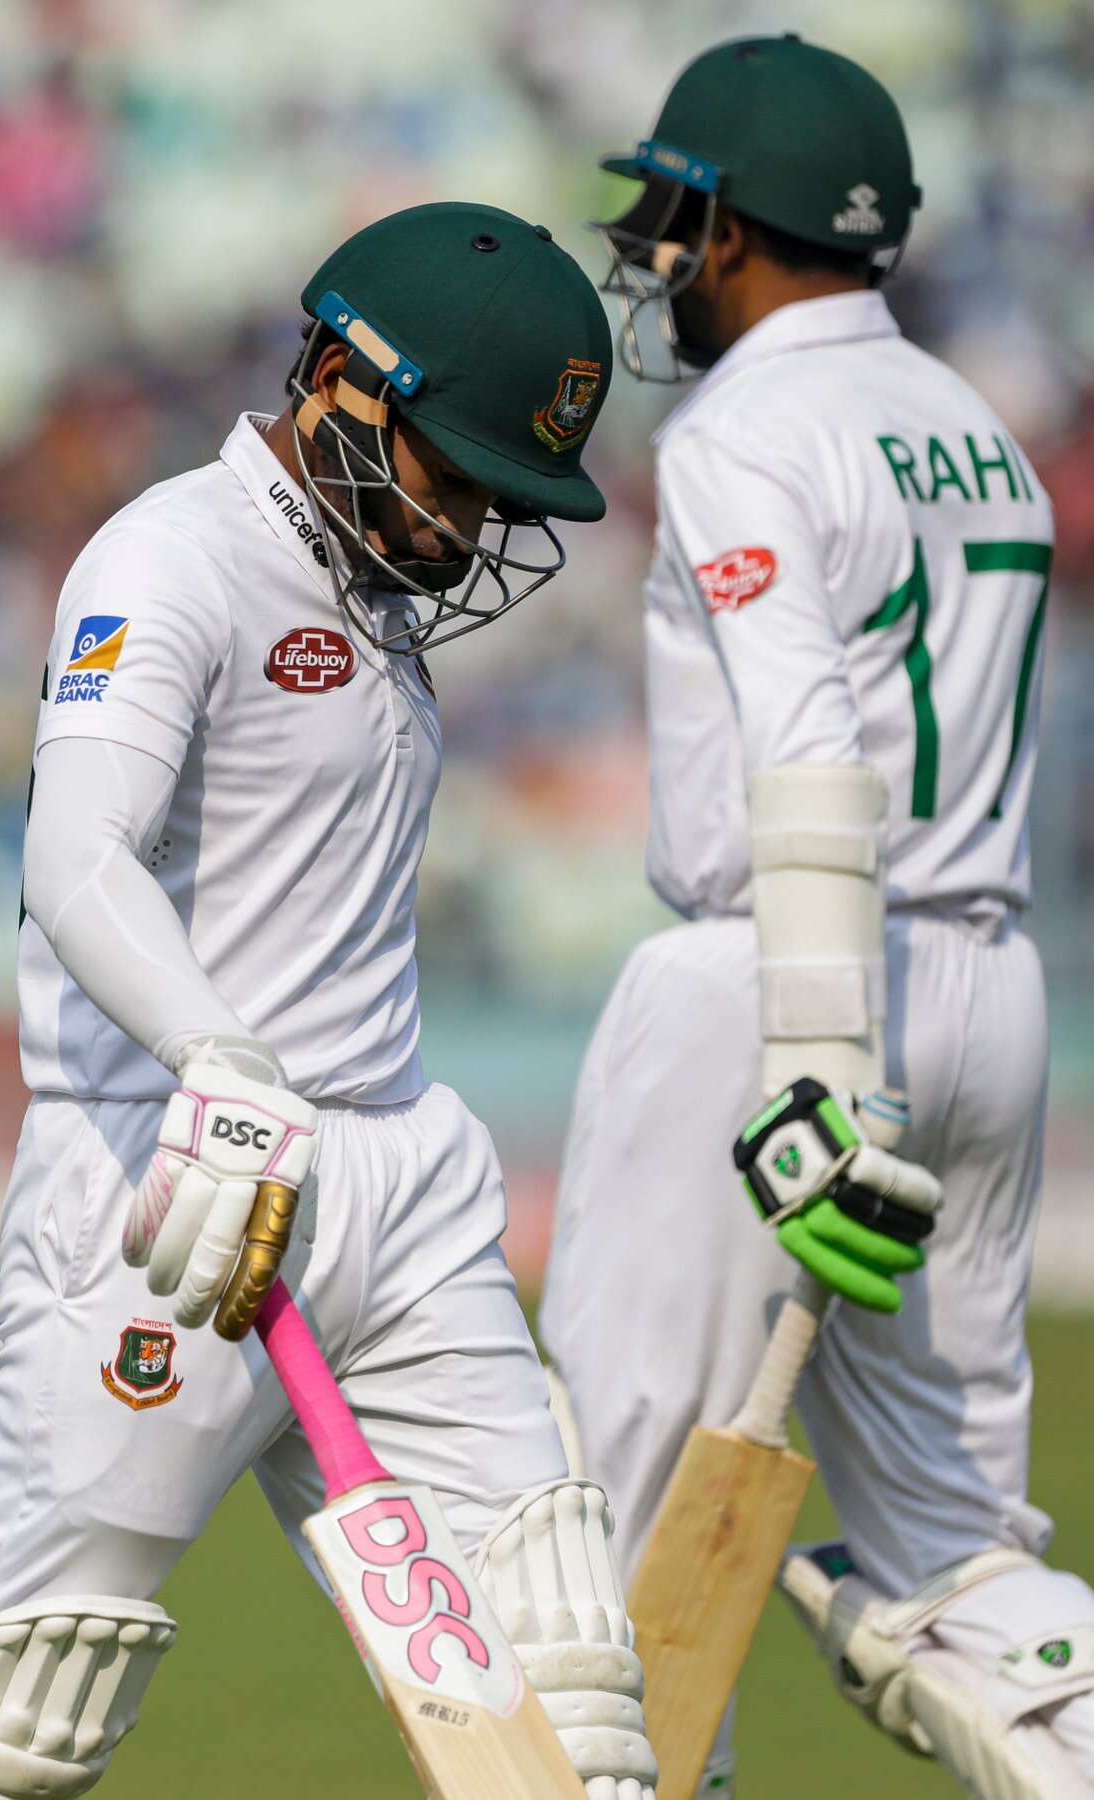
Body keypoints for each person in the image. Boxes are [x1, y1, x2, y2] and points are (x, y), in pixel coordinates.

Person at [0, 201, 657, 1800]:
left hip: (400, 1181)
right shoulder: (172, 554)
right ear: (340, 382)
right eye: (453, 470)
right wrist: (216, 1062)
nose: (466, 530)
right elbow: (74, 851)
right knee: (6, 1721)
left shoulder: (376, 581)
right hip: (172, 1187)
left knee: (565, 1694)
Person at [541, 35, 1094, 1800]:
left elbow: (800, 743)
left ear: (737, 226)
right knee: (949, 1564)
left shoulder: (746, 429)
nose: (655, 254)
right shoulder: (975, 431)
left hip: (777, 993)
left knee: (607, 1548)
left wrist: (814, 1059)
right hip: (991, 993)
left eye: (674, 216)